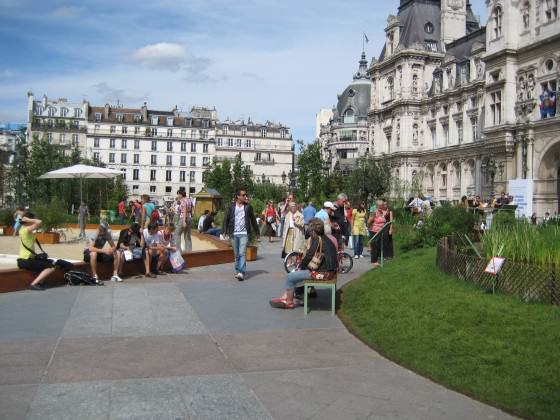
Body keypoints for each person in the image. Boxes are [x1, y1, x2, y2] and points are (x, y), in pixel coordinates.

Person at [269, 218, 338, 309]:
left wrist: (300, 266)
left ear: (312, 230)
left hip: (323, 274)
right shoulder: (326, 238)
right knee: (298, 274)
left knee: (290, 277)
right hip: (330, 271)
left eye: (309, 228)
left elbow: (309, 256)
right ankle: (289, 297)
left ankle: (289, 302)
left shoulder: (317, 239)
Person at [222, 188, 260, 281]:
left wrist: (257, 232)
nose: (245, 197)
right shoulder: (231, 206)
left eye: (245, 195)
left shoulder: (248, 207)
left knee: (242, 253)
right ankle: (238, 270)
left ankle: (241, 272)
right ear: (238, 196)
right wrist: (224, 231)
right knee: (236, 254)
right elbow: (226, 219)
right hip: (234, 233)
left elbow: (253, 220)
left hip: (244, 233)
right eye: (243, 195)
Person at [17, 212, 60, 290]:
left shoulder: (24, 229)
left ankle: (40, 283)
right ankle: (33, 284)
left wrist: (27, 220)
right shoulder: (26, 229)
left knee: (50, 262)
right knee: (52, 266)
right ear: (28, 221)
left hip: (27, 259)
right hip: (26, 260)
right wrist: (28, 219)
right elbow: (39, 221)